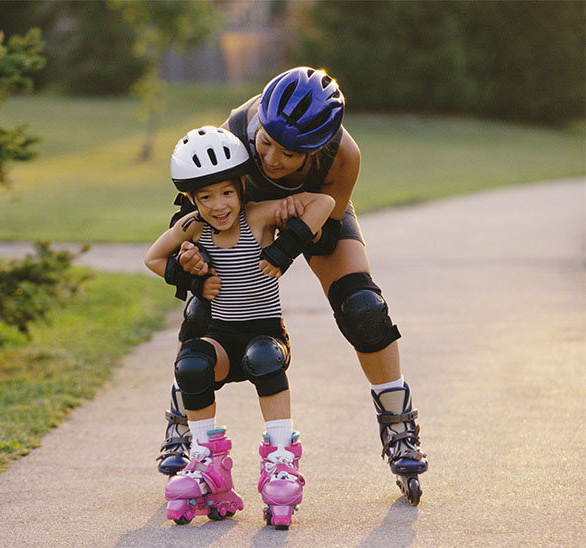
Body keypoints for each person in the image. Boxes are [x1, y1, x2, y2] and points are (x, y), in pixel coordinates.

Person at [157, 67, 428, 506]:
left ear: (317, 149)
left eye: (288, 154)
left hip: (313, 217)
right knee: (204, 312)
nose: (271, 159)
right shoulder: (237, 129)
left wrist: (284, 244)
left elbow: (326, 226)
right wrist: (192, 259)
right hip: (240, 218)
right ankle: (183, 420)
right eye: (266, 142)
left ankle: (398, 424)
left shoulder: (343, 155)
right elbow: (198, 202)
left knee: (363, 307)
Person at [145, 126, 335, 528]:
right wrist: (192, 279)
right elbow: (152, 258)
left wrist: (287, 245)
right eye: (206, 197)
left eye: (226, 192)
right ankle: (205, 462)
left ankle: (281, 462)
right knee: (190, 364)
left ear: (241, 188)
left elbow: (325, 201)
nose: (218, 205)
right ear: (192, 200)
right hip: (221, 340)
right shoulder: (193, 227)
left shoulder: (259, 215)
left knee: (264, 357)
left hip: (265, 336)